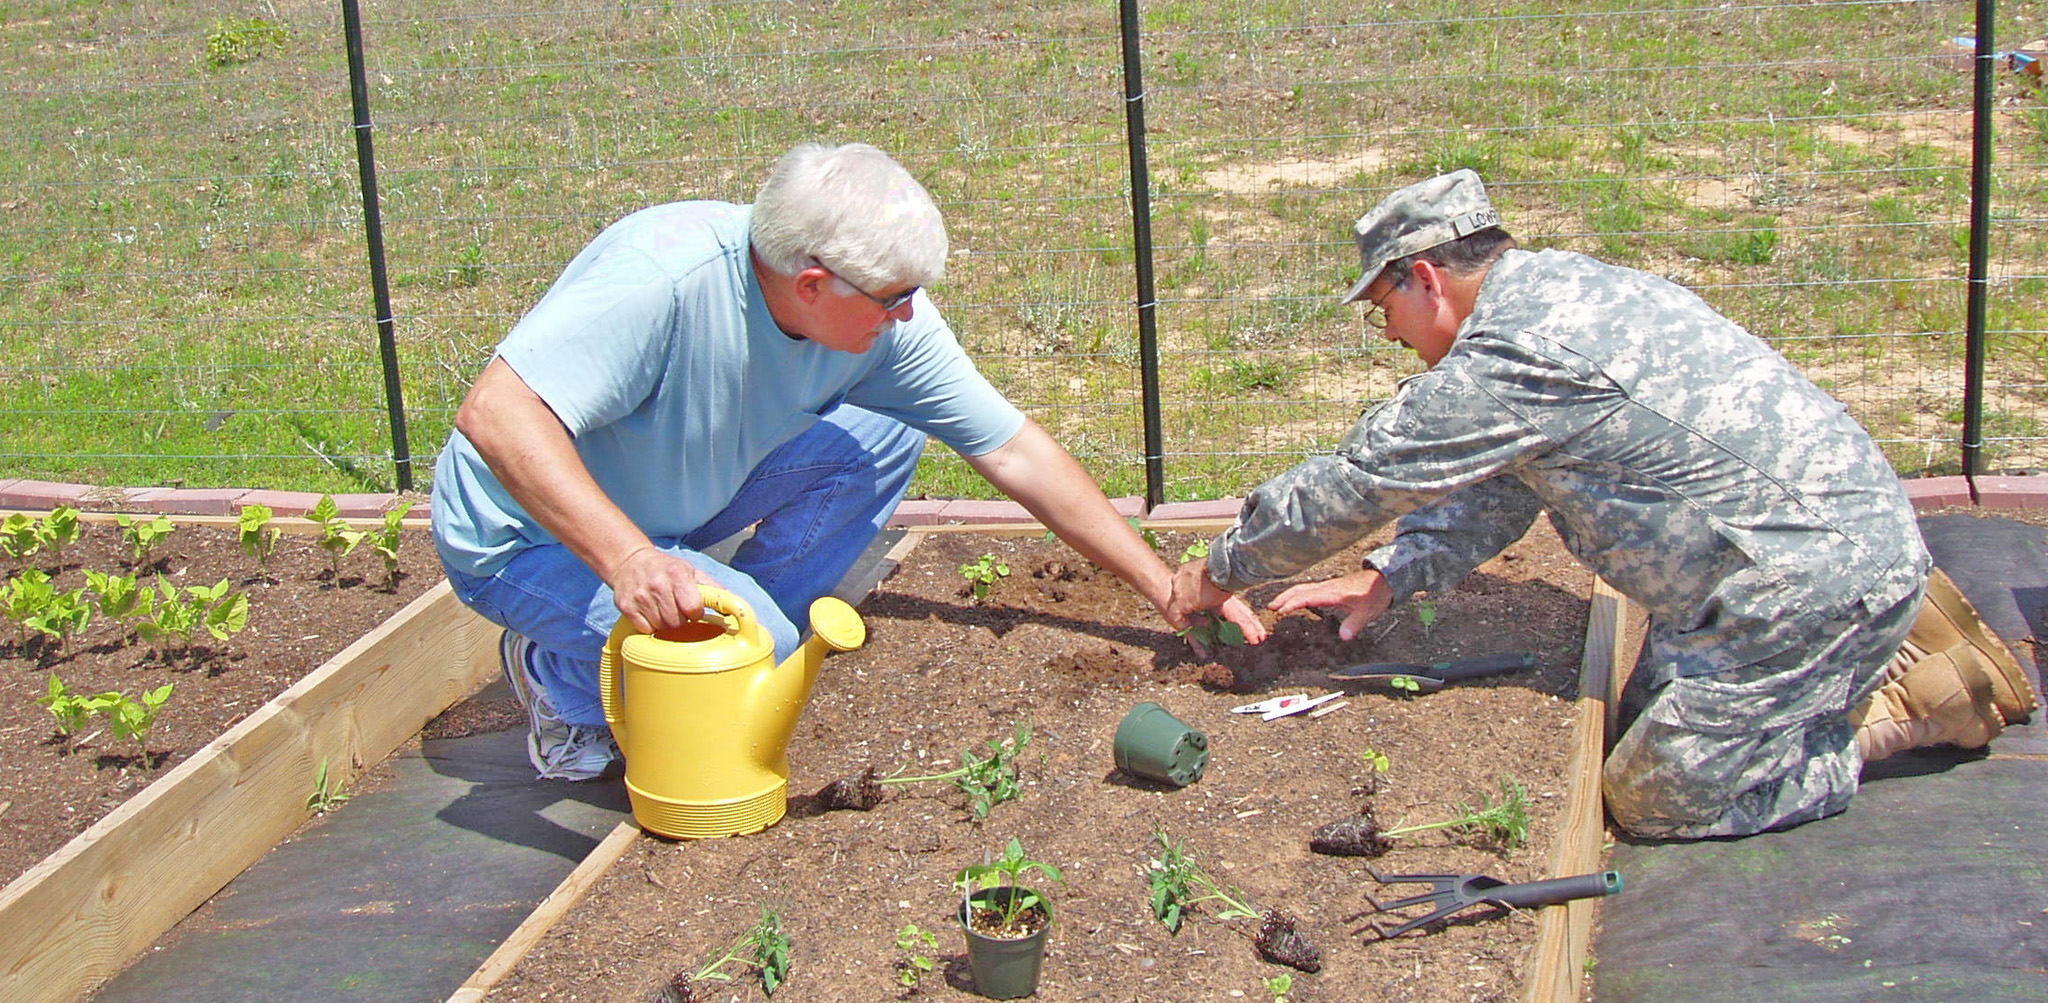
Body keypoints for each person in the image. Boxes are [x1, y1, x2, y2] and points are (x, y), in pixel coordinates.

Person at [1167, 169, 2036, 840]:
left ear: (1425, 277)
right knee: (1642, 725)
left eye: (1383, 305)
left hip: (1795, 586)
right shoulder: (1562, 291)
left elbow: (1355, 484)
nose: (1387, 330)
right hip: (1772, 558)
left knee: (1655, 797)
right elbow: (1509, 478)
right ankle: (1853, 649)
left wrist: (1219, 568)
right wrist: (1394, 577)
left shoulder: (1510, 356)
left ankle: (1897, 712)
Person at [432, 141, 1264, 779]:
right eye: (892, 298)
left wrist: (1163, 585)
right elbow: (498, 415)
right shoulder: (662, 278)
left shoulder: (875, 317)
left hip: (666, 500)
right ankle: (564, 683)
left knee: (884, 437)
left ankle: (739, 637)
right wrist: (627, 556)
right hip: (524, 534)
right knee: (740, 638)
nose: (908, 316)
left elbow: (1012, 449)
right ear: (811, 283)